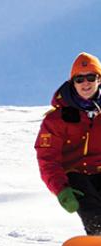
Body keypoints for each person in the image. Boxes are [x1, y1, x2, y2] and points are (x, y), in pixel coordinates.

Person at [35, 52, 101, 235]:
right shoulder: (56, 119)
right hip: (75, 176)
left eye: (91, 77)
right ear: (73, 83)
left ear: (99, 79)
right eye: (79, 79)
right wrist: (61, 190)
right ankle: (98, 234)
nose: (85, 83)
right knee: (91, 207)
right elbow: (47, 158)